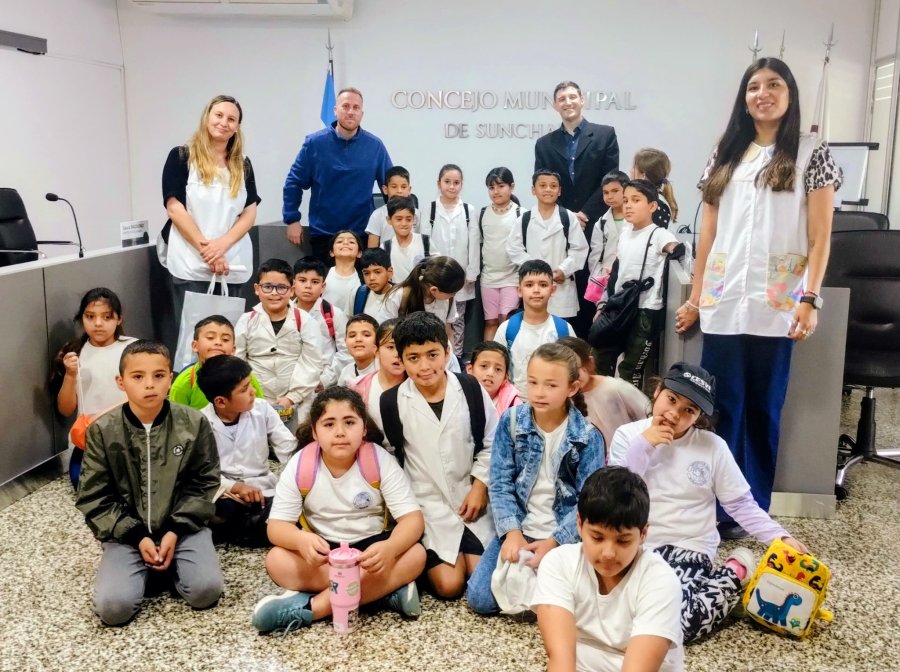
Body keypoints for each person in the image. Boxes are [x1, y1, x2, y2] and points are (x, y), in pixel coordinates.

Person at [674, 57, 840, 538]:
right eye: (753, 87)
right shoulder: (726, 152)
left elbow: (820, 236)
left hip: (778, 303)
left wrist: (810, 297)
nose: (762, 93)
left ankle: (755, 507)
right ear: (743, 98)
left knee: (764, 409)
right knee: (722, 408)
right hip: (725, 303)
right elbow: (707, 231)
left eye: (773, 85)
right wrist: (696, 296)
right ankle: (722, 508)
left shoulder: (812, 152)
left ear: (789, 93)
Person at [609, 362, 809, 642]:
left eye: (688, 410)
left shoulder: (713, 446)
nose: (674, 414)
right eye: (671, 399)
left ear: (698, 416)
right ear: (657, 391)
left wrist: (781, 537)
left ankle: (735, 572)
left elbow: (740, 505)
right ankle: (722, 592)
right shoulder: (628, 436)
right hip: (636, 546)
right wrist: (645, 445)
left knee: (677, 627)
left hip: (689, 547)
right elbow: (617, 496)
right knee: (620, 619)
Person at [250, 386, 426, 633]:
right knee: (276, 560)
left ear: (364, 428)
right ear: (314, 432)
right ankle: (383, 592)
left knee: (416, 554)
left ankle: (310, 609)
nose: (340, 432)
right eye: (329, 424)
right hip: (324, 555)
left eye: (350, 422)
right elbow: (277, 527)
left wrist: (390, 548)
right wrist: (301, 540)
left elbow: (413, 520)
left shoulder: (378, 460)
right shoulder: (301, 465)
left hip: (371, 555)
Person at [75, 340, 224, 626]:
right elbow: (94, 497)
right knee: (113, 610)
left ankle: (167, 565)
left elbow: (205, 483)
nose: (149, 385)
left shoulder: (193, 423)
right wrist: (136, 536)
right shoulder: (102, 432)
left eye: (158, 375)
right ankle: (148, 566)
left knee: (205, 592)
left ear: (170, 378)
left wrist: (174, 530)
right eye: (138, 376)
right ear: (121, 382)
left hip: (184, 527)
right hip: (126, 534)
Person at [467, 343, 605, 616]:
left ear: (572, 388)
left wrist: (555, 542)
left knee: (579, 602)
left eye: (551, 385)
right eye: (533, 382)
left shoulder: (588, 436)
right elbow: (501, 481)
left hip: (564, 534)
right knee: (480, 599)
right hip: (519, 525)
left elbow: (588, 503)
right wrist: (512, 533)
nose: (539, 393)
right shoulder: (512, 421)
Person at [385, 312, 498, 598]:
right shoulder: (391, 402)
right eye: (413, 358)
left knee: (481, 576)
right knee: (450, 586)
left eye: (432, 354)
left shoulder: (471, 389)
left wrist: (479, 486)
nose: (425, 366)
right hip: (427, 504)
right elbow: (389, 460)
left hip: (470, 499)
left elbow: (492, 441)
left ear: (447, 352)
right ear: (401, 360)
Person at [531, 466, 683, 671]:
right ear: (579, 524)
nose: (608, 553)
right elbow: (561, 661)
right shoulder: (559, 564)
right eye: (597, 537)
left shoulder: (660, 581)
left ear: (644, 534)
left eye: (623, 541)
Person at [160, 95, 261, 343]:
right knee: (193, 338)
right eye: (219, 115)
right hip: (191, 259)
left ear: (237, 126)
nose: (224, 122)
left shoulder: (243, 163)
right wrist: (208, 250)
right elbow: (175, 208)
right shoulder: (181, 156)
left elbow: (249, 212)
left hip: (230, 260)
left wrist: (222, 246)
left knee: (227, 338)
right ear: (207, 117)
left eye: (231, 119)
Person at [535, 81, 620, 336]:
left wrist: (585, 213)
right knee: (563, 279)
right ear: (555, 106)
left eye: (572, 97)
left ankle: (587, 346)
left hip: (595, 222)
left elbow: (610, 178)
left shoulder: (605, 134)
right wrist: (568, 215)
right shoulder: (544, 144)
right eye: (562, 99)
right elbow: (544, 181)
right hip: (560, 223)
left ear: (582, 100)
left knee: (590, 284)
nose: (568, 102)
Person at [282, 87, 393, 263]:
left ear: (362, 114)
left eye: (356, 108)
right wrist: (292, 219)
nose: (351, 112)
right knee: (326, 288)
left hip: (362, 235)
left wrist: (393, 221)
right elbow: (294, 182)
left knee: (361, 289)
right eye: (346, 106)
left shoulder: (375, 146)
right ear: (335, 110)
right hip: (324, 235)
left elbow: (390, 185)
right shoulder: (314, 143)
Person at [196, 355, 297, 547]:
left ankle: (242, 530)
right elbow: (202, 472)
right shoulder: (201, 422)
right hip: (226, 493)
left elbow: (287, 445)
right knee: (218, 508)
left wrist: (296, 476)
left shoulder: (262, 409)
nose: (252, 392)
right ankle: (249, 529)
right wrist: (233, 487)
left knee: (286, 507)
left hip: (263, 488)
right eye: (244, 389)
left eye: (249, 384)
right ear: (221, 401)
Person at [592, 180, 680, 389]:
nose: (628, 205)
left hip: (645, 312)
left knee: (630, 371)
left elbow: (677, 250)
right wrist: (603, 305)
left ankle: (631, 416)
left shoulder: (659, 234)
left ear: (652, 206)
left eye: (636, 200)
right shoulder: (624, 233)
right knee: (600, 360)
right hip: (619, 307)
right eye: (625, 200)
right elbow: (616, 272)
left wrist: (674, 251)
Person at [51, 288, 137, 488]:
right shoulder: (75, 353)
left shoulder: (134, 349)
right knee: (85, 484)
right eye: (90, 317)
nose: (98, 324)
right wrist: (71, 375)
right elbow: (65, 409)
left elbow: (150, 396)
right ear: (82, 319)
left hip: (130, 437)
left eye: (107, 317)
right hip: (89, 441)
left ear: (119, 319)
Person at [234, 258, 324, 429]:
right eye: (267, 287)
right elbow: (237, 361)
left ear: (291, 290)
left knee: (296, 444)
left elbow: (312, 362)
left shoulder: (305, 321)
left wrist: (292, 398)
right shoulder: (246, 321)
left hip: (298, 400)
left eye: (281, 287)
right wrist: (253, 395)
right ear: (257, 289)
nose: (274, 293)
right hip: (255, 399)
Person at [507, 169, 589, 320]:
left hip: (561, 285)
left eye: (553, 186)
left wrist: (564, 270)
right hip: (534, 286)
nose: (548, 189)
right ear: (533, 189)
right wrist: (534, 270)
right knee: (535, 329)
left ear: (559, 191)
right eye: (542, 185)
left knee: (560, 334)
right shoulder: (524, 219)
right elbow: (513, 249)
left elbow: (580, 249)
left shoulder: (568, 217)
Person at [492, 260, 575, 396]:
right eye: (529, 285)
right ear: (519, 290)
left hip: (554, 402)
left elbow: (573, 369)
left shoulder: (564, 329)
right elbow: (496, 366)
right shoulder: (507, 329)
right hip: (517, 402)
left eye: (543, 285)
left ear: (552, 290)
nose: (536, 290)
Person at [423, 164, 480, 358]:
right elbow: (425, 242)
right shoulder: (429, 209)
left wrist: (471, 272)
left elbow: (474, 242)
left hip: (461, 276)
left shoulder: (468, 210)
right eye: (447, 182)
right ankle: (433, 354)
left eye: (456, 183)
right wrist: (429, 274)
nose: (451, 186)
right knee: (434, 315)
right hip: (435, 276)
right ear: (439, 183)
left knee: (457, 319)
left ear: (461, 185)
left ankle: (454, 357)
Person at [558, 336, 650, 455]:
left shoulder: (615, 388)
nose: (573, 377)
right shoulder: (563, 399)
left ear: (590, 363)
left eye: (576, 369)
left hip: (625, 458)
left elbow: (648, 417)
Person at [169, 315, 265, 410]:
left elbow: (260, 410)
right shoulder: (185, 382)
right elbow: (176, 419)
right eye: (210, 338)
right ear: (195, 346)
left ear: (233, 350)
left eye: (225, 339)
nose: (218, 342)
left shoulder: (245, 377)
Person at [292, 257, 352, 389]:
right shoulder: (285, 312)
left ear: (323, 286)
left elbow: (345, 351)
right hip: (290, 378)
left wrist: (325, 380)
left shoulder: (333, 314)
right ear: (293, 283)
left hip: (322, 380)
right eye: (302, 280)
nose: (308, 286)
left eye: (315, 282)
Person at [479, 167, 522, 341]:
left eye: (501, 186)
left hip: (512, 277)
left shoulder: (521, 213)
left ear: (511, 187)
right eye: (491, 187)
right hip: (488, 277)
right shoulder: (482, 213)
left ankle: (507, 360)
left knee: (506, 321)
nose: (496, 191)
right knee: (490, 322)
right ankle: (487, 357)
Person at [383, 255, 466, 342]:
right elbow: (388, 335)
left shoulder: (448, 299)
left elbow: (448, 332)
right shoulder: (399, 296)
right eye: (453, 293)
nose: (454, 295)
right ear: (434, 290)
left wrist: (449, 354)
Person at [350, 318, 404, 436]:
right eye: (390, 347)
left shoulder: (418, 385)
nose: (397, 354)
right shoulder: (357, 386)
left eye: (403, 347)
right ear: (377, 350)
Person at [587, 170, 630, 302]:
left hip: (629, 276)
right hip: (605, 278)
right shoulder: (601, 222)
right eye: (606, 192)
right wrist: (597, 276)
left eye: (615, 191)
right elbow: (595, 255)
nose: (609, 196)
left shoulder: (634, 220)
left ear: (626, 190)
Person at [366, 165, 420, 247]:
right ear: (385, 190)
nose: (399, 191)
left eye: (403, 187)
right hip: (385, 258)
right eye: (394, 187)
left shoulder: (417, 213)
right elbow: (372, 250)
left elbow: (421, 242)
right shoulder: (377, 215)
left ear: (409, 190)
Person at [382, 195, 429, 284]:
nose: (404, 223)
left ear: (414, 219)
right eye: (399, 219)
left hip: (421, 294)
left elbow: (436, 270)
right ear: (389, 220)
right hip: (395, 295)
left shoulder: (425, 242)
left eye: (408, 219)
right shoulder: (385, 247)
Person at [466, 341, 522, 416]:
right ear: (470, 369)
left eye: (498, 369)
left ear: (506, 377)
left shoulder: (514, 407)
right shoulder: (458, 396)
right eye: (484, 366)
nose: (490, 373)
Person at [632, 148, 679, 228]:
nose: (630, 171)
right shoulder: (652, 199)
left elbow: (653, 238)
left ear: (643, 175)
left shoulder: (657, 205)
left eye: (634, 167)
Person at [322, 230, 363, 315]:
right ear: (331, 252)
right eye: (340, 241)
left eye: (351, 242)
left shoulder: (364, 278)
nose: (345, 243)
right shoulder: (322, 275)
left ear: (359, 253)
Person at [353, 248, 395, 323]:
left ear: (390, 272)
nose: (372, 278)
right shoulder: (358, 294)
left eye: (377, 272)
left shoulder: (401, 296)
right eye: (366, 273)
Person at [337, 313, 379, 386]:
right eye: (352, 335)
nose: (358, 339)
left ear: (378, 340)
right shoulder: (346, 372)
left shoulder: (385, 370)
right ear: (345, 341)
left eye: (366, 335)